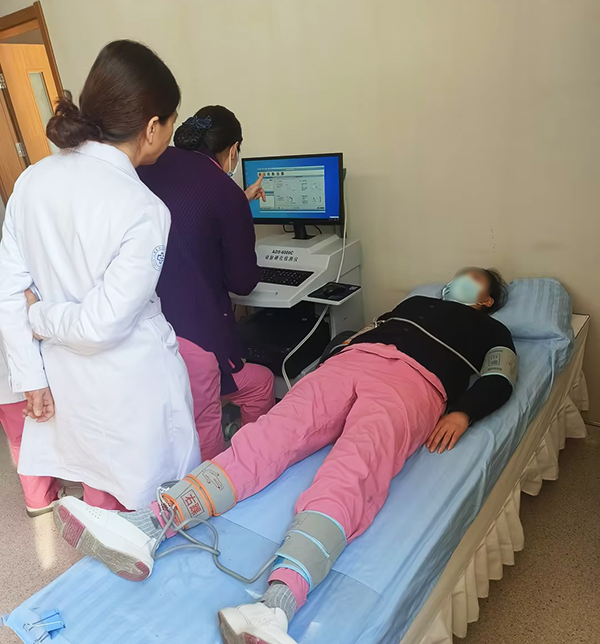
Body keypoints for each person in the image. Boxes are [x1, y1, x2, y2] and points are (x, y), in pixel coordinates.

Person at [54, 267, 517, 642]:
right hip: (349, 365)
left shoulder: (492, 328)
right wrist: (337, 351)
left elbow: (500, 377)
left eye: (473, 278)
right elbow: (359, 332)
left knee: (355, 469)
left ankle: (276, 606)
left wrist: (464, 413)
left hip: (415, 384)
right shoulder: (413, 304)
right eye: (459, 274)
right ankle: (149, 524)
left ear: (488, 299)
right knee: (268, 434)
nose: (459, 279)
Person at [0, 40, 200, 514]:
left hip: (67, 384)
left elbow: (9, 292)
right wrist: (42, 317)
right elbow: (100, 325)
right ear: (152, 127)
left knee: (98, 498)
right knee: (155, 512)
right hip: (131, 391)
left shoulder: (31, 182)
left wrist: (30, 377)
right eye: (171, 124)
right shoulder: (143, 208)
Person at [137, 106, 275, 460]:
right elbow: (243, 283)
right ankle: (237, 465)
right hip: (193, 339)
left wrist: (237, 203)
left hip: (145, 330)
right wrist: (238, 212)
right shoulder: (224, 191)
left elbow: (184, 220)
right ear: (233, 149)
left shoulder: (149, 165)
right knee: (256, 385)